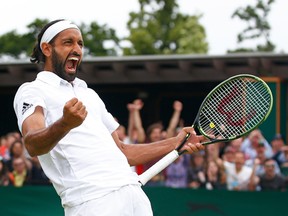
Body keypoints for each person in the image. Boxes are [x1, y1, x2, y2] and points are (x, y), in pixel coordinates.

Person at [13, 19, 204, 216]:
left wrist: (176, 142)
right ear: (47, 48)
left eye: (80, 43)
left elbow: (123, 152)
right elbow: (33, 144)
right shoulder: (32, 91)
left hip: (134, 195)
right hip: (93, 202)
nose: (77, 49)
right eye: (68, 42)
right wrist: (65, 124)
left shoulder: (89, 94)